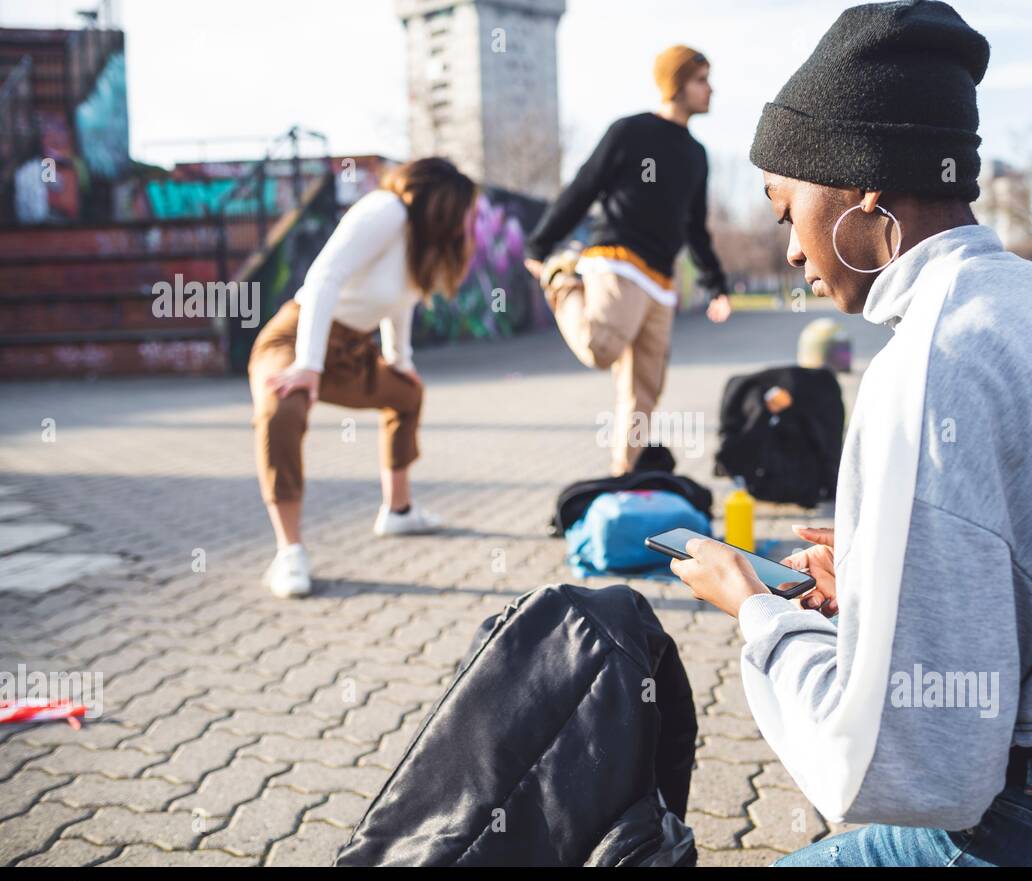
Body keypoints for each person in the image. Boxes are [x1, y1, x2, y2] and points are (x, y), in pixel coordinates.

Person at [669, 0, 1032, 866]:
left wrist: (755, 612)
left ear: (861, 188)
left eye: (787, 210)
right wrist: (878, 583)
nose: (789, 249)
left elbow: (903, 768)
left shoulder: (927, 365)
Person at [248, 157, 477, 598]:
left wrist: (400, 361)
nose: (467, 221)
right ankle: (289, 551)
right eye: (464, 210)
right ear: (441, 202)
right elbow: (323, 277)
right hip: (296, 338)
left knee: (408, 395)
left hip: (353, 350)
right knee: (283, 409)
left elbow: (400, 302)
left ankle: (398, 510)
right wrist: (308, 365)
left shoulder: (418, 242)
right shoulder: (385, 210)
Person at [524, 44, 732, 475]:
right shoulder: (630, 132)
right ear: (675, 84)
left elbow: (695, 227)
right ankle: (562, 280)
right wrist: (539, 247)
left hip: (660, 281)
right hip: (618, 260)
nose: (710, 89)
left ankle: (624, 474)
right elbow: (583, 188)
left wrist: (716, 283)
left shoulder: (696, 154)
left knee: (644, 392)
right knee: (601, 348)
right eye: (701, 79)